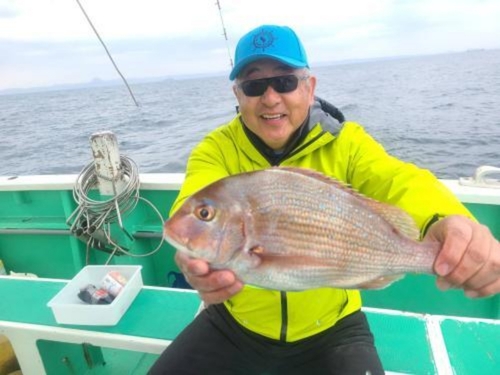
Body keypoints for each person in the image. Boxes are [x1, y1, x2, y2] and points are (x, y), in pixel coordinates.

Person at [149, 25, 500, 374]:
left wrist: (452, 222)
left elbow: (400, 180)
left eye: (285, 81)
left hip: (334, 329)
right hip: (237, 324)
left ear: (309, 87)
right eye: (254, 86)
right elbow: (195, 200)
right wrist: (194, 259)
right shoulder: (215, 151)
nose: (270, 98)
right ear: (238, 95)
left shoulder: (346, 143)